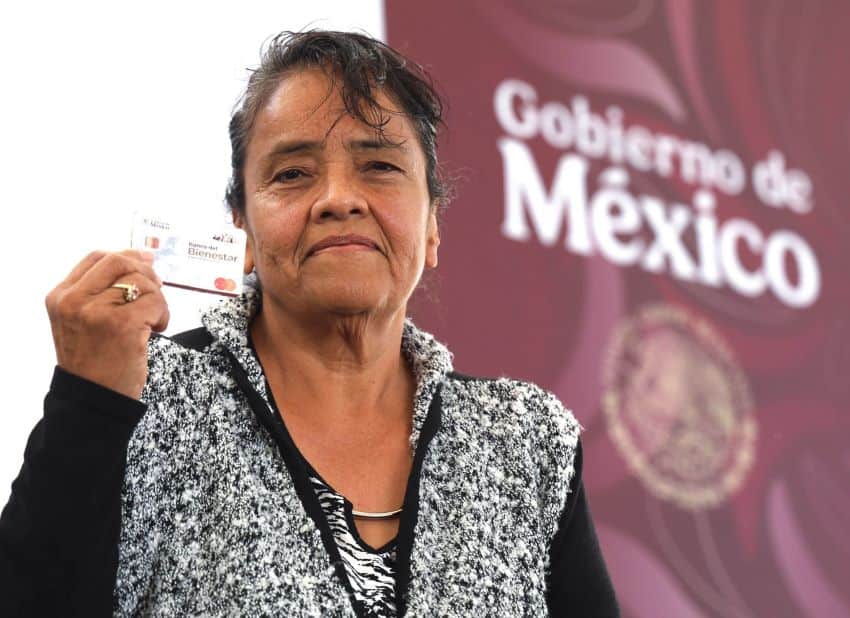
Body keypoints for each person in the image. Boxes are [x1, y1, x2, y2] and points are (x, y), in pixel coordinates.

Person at [0, 30, 619, 617]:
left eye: (378, 166)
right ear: (241, 230)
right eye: (292, 173)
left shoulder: (528, 441)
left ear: (433, 226)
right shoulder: (142, 396)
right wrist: (90, 402)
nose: (338, 199)